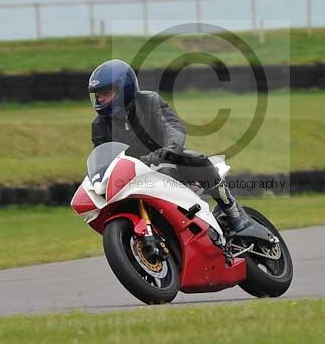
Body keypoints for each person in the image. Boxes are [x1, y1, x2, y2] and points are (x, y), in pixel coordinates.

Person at [88, 59, 248, 232]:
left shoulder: (149, 101)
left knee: (194, 159)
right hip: (131, 176)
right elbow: (101, 156)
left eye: (106, 93)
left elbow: (172, 127)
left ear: (123, 89)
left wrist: (170, 148)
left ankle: (232, 211)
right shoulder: (99, 125)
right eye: (98, 94)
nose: (100, 99)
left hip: (165, 161)